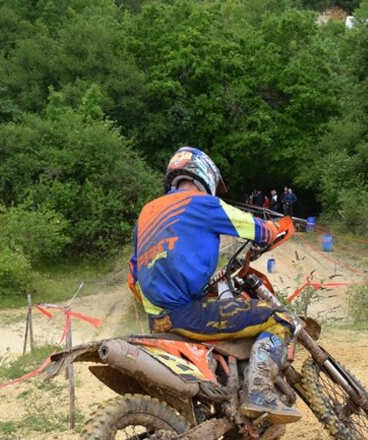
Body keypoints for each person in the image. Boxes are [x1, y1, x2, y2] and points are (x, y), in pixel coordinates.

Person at [128, 147, 300, 424]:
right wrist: (271, 229)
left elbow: (132, 275)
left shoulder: (146, 214)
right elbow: (253, 226)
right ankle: (259, 394)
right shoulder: (202, 204)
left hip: (157, 321)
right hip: (186, 313)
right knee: (278, 318)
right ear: (204, 175)